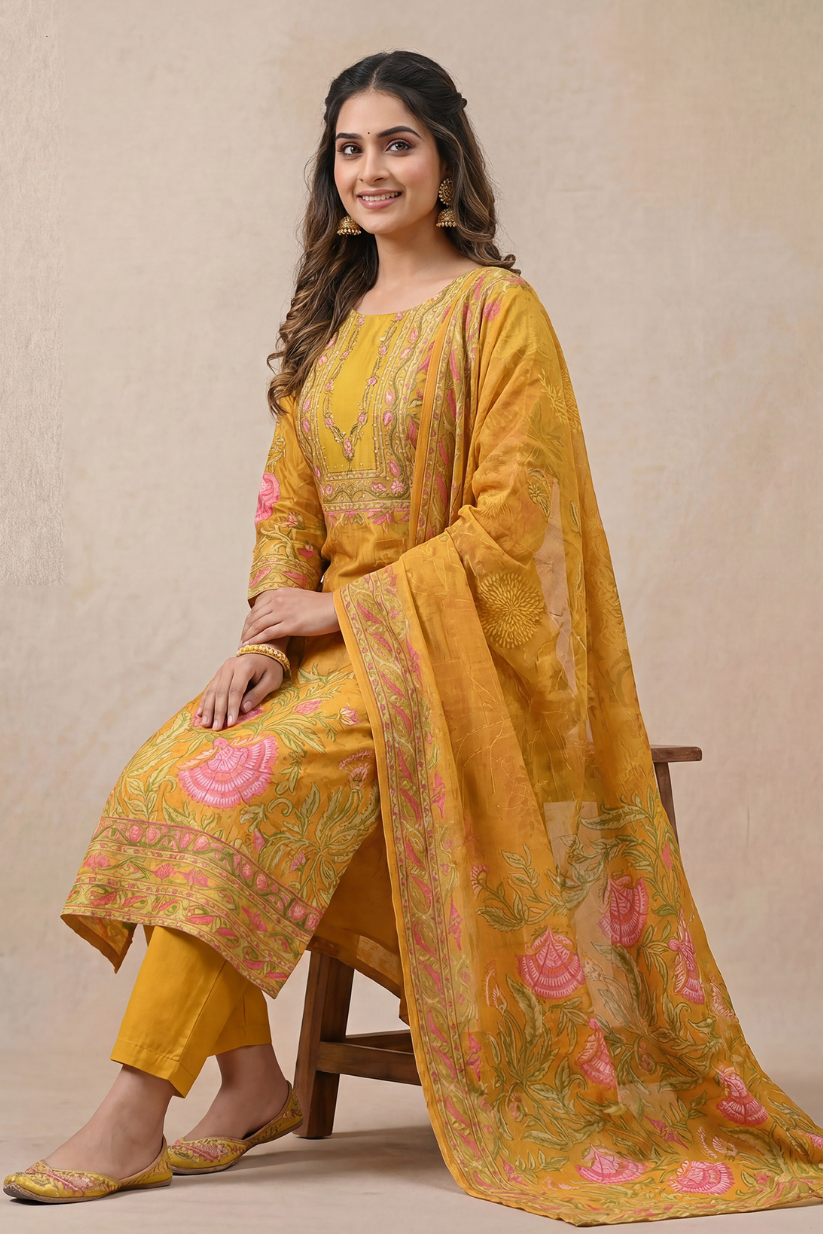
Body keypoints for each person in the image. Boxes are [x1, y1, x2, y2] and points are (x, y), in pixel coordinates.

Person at [5, 50, 823, 1224]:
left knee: (238, 790)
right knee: (171, 773)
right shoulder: (329, 323)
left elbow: (516, 520)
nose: (372, 168)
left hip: (453, 660)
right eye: (350, 147)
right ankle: (250, 1083)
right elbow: (286, 502)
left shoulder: (498, 312)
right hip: (336, 659)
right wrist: (263, 642)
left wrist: (345, 609)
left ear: (447, 161)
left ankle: (135, 1112)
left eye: (398, 143)